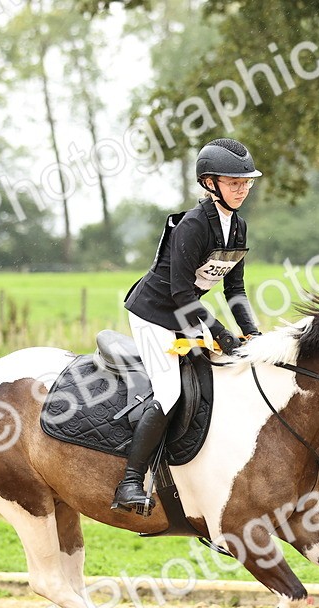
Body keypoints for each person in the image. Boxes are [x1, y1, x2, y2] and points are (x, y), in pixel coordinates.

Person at [112, 137, 263, 514]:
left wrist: (253, 335)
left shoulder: (239, 227)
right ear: (210, 183)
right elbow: (181, 292)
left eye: (246, 182)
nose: (242, 189)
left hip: (185, 311)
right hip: (154, 313)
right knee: (169, 391)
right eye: (233, 182)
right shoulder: (194, 225)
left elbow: (236, 290)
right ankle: (130, 481)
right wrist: (220, 332)